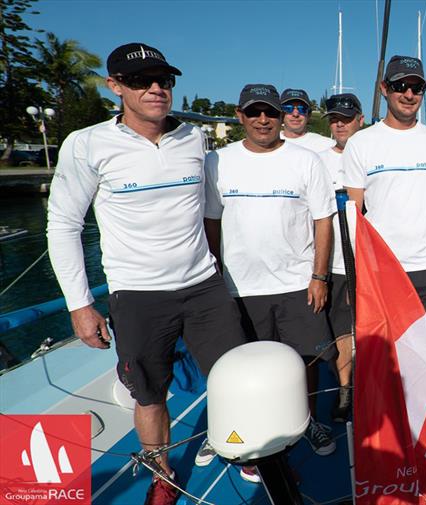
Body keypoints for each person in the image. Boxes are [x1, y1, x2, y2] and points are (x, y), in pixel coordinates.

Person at [46, 43, 247, 505]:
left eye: (164, 80)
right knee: (150, 394)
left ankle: (242, 450)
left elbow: (212, 212)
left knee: (232, 377)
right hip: (137, 294)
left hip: (203, 285)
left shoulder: (193, 139)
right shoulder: (88, 144)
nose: (156, 88)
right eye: (141, 81)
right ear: (116, 87)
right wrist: (80, 304)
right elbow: (63, 225)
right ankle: (162, 474)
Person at [342, 55, 426, 473]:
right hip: (384, 273)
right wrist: (358, 276)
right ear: (384, 89)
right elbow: (354, 216)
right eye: (400, 85)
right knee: (389, 358)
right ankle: (402, 430)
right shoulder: (362, 143)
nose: (408, 93)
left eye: (416, 87)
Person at [202, 84, 338, 482]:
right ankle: (245, 432)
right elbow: (211, 222)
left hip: (298, 283)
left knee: (306, 360)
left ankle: (308, 419)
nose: (264, 119)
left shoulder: (306, 161)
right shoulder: (217, 162)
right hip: (239, 287)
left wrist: (319, 276)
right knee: (245, 365)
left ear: (281, 118)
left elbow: (323, 220)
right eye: (254, 112)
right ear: (240, 116)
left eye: (271, 112)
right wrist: (216, 275)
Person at [318, 92, 365, 422]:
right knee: (342, 330)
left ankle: (376, 385)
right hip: (336, 261)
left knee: (375, 328)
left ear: (359, 120)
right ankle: (347, 390)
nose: (340, 124)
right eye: (334, 118)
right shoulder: (318, 161)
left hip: (372, 259)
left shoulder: (375, 152)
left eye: (346, 118)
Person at [280, 88, 336, 152]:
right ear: (281, 114)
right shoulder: (269, 143)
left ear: (309, 115)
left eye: (302, 109)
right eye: (288, 108)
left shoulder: (328, 145)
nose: (295, 114)